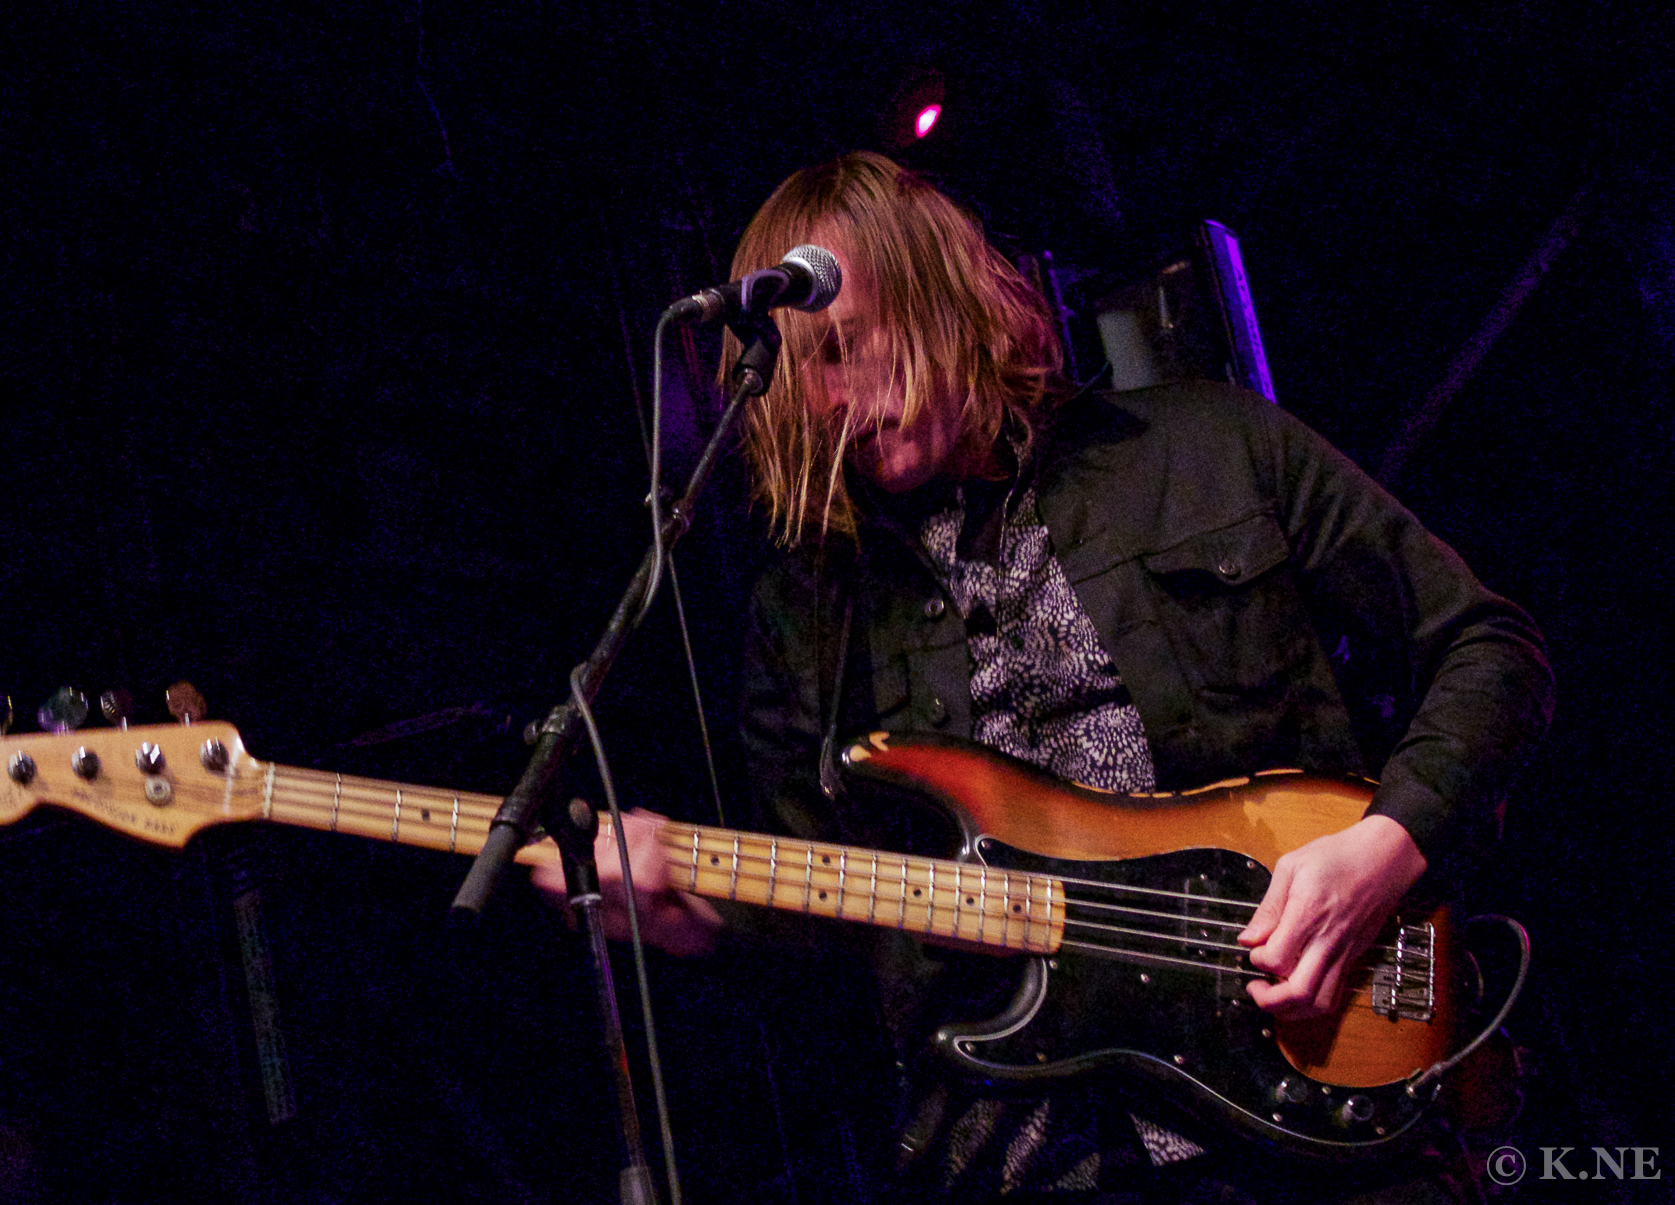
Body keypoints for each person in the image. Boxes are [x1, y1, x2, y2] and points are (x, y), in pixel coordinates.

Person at [538, 151, 1553, 1201]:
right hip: (1018, 1157)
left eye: (845, 347)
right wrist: (694, 913)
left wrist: (1384, 847)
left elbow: (1489, 647)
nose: (831, 398)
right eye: (806, 374)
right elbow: (831, 946)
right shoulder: (803, 615)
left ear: (934, 292)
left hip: (1311, 1100)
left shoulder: (1204, 448)